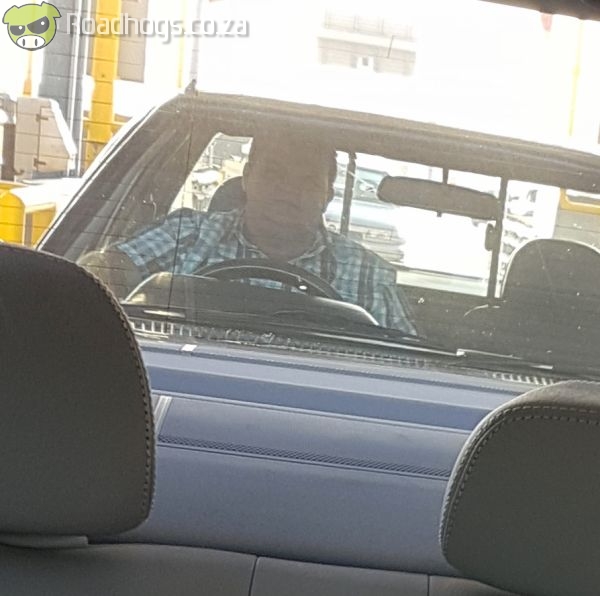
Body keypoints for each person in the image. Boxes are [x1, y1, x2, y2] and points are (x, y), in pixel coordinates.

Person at [98, 133, 416, 333]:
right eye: (275, 173)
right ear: (247, 178)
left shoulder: (369, 275)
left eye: (307, 181)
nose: (288, 190)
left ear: (327, 196)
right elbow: (102, 272)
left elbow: (407, 366)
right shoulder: (186, 236)